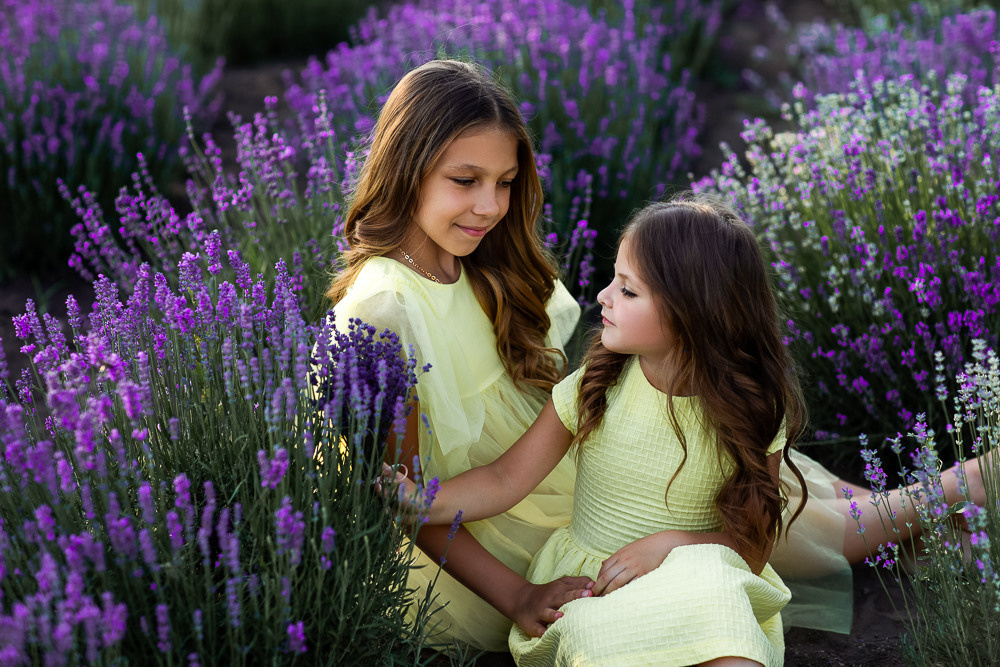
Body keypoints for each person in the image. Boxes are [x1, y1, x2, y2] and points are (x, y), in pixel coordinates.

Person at [387, 194, 809, 666]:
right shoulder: (597, 386)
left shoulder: (752, 411)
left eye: (628, 291)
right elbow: (507, 479)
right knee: (594, 633)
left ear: (694, 312)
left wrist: (672, 546)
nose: (604, 296)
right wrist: (430, 501)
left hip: (698, 579)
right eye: (613, 280)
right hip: (597, 585)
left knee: (725, 627)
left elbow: (750, 549)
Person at [326, 58, 592, 651]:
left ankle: (857, 504)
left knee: (762, 491)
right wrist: (518, 596)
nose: (491, 207)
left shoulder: (484, 265)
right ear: (407, 172)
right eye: (465, 181)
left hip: (543, 470)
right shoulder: (387, 309)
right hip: (482, 541)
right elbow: (403, 498)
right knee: (758, 532)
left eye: (504, 183)